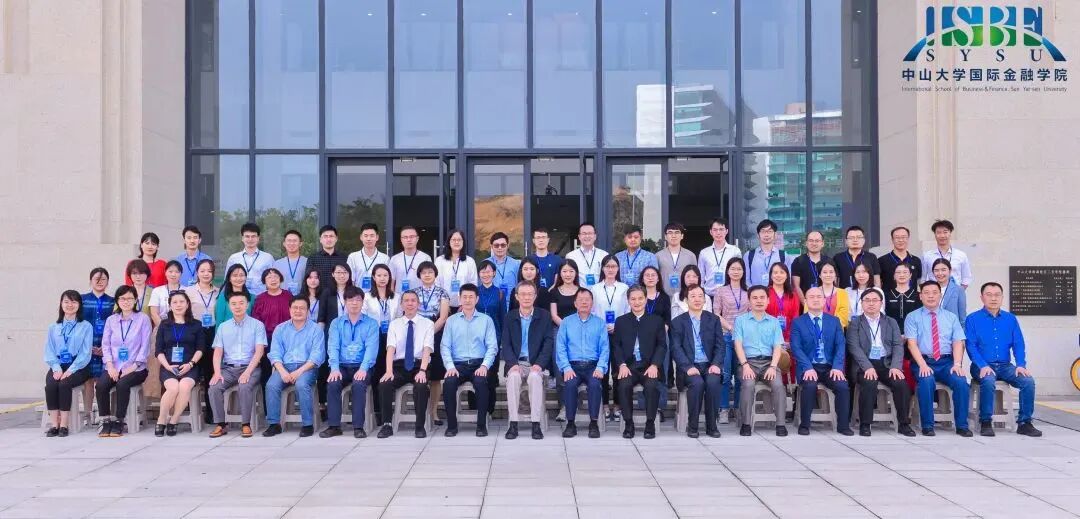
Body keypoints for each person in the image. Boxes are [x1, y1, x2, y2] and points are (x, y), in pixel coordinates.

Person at [965, 282, 1042, 437]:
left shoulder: (1010, 319)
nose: (993, 298)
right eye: (989, 295)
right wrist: (982, 365)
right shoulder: (972, 319)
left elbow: (1018, 343)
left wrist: (1020, 364)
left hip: (1005, 366)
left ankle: (1025, 423)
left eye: (997, 295)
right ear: (982, 297)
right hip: (981, 365)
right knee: (988, 380)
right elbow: (970, 346)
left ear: (1002, 297)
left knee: (1028, 382)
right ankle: (985, 421)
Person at [905, 281, 972, 437]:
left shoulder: (951, 317)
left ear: (940, 295)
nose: (931, 296)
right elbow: (911, 344)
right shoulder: (912, 317)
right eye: (926, 293)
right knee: (926, 380)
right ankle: (928, 425)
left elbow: (958, 342)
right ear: (920, 296)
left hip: (946, 362)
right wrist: (922, 365)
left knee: (961, 382)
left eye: (934, 292)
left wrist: (957, 364)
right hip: (923, 361)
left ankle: (962, 425)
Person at [846, 288, 915, 437]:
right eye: (867, 300)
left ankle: (904, 424)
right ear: (861, 304)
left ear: (881, 303)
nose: (871, 304)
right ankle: (865, 424)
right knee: (869, 383)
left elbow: (898, 345)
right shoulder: (855, 323)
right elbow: (854, 347)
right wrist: (867, 367)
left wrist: (896, 366)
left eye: (874, 300)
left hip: (886, 364)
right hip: (864, 365)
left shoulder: (891, 322)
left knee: (901, 384)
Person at [790, 287, 853, 436]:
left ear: (824, 301)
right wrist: (807, 367)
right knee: (810, 385)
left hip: (829, 367)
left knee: (842, 386)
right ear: (805, 301)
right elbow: (796, 348)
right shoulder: (798, 322)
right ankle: (805, 424)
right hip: (808, 366)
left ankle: (843, 425)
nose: (816, 299)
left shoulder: (834, 321)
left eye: (819, 296)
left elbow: (840, 345)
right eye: (811, 297)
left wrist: (837, 367)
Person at [440, 283, 499, 437]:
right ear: (459, 299)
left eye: (471, 297)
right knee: (449, 383)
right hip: (458, 365)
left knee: (481, 382)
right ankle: (452, 425)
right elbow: (445, 346)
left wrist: (485, 366)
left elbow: (492, 347)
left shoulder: (486, 320)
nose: (467, 300)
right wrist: (450, 366)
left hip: (479, 363)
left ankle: (481, 425)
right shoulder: (451, 321)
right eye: (464, 297)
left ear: (477, 299)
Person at [264, 296, 325, 437]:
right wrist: (282, 371)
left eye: (302, 308)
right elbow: (275, 354)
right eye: (295, 308)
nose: (298, 311)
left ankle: (307, 424)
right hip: (284, 367)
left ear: (308, 311)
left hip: (307, 368)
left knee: (301, 384)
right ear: (289, 309)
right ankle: (274, 424)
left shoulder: (316, 329)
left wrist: (298, 372)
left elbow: (316, 356)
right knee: (271, 385)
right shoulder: (280, 329)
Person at [96, 285, 153, 438]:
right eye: (122, 298)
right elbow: (105, 345)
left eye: (129, 298)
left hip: (136, 368)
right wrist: (110, 366)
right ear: (117, 301)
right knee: (101, 385)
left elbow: (145, 345)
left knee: (122, 384)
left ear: (135, 300)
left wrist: (132, 367)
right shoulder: (111, 320)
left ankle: (119, 421)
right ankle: (105, 420)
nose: (126, 301)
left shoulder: (143, 319)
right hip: (113, 366)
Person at [376, 291, 434, 438]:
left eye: (413, 300)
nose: (410, 303)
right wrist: (388, 371)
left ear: (418, 304)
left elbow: (427, 349)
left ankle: (419, 426)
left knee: (421, 386)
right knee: (384, 384)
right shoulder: (394, 324)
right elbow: (390, 349)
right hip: (399, 366)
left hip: (419, 365)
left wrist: (422, 371)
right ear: (401, 304)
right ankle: (387, 425)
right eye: (406, 301)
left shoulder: (428, 324)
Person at [207, 292, 266, 438]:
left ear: (247, 305)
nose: (237, 306)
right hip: (228, 368)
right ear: (229, 306)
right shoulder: (223, 327)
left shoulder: (257, 325)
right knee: (214, 388)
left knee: (244, 386)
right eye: (233, 304)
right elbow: (218, 353)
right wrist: (217, 372)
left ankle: (245, 424)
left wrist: (247, 372)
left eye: (241, 303)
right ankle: (221, 424)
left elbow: (259, 352)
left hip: (250, 367)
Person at [501, 281, 554, 440]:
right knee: (513, 378)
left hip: (536, 363)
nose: (526, 297)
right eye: (523, 294)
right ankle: (513, 423)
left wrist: (539, 364)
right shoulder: (510, 316)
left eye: (530, 294)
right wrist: (512, 364)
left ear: (535, 296)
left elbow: (548, 343)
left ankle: (535, 424)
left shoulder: (544, 315)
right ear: (517, 297)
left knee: (535, 378)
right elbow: (506, 343)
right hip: (517, 363)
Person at [670, 284, 726, 438]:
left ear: (705, 300)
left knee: (713, 383)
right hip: (689, 367)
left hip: (709, 365)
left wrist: (716, 364)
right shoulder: (678, 322)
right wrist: (687, 366)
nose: (697, 299)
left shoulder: (713, 320)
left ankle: (712, 426)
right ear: (686, 300)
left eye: (700, 296)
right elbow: (676, 348)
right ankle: (693, 425)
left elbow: (720, 346)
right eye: (693, 296)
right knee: (697, 383)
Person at [612, 286, 667, 439]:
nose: (637, 302)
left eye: (640, 298)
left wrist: (655, 365)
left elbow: (662, 345)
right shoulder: (621, 321)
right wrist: (621, 364)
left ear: (646, 299)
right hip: (628, 366)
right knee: (624, 385)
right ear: (628, 301)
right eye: (633, 299)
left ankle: (650, 423)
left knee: (651, 385)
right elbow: (616, 346)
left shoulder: (656, 321)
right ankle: (629, 423)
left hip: (649, 366)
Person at [733, 285, 788, 437]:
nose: (759, 301)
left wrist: (773, 366)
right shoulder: (740, 321)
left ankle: (781, 424)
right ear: (749, 301)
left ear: (768, 300)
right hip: (748, 363)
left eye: (762, 297)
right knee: (748, 385)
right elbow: (737, 345)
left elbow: (777, 347)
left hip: (769, 363)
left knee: (778, 385)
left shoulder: (774, 322)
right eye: (755, 298)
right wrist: (745, 365)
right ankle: (746, 423)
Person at [556, 288, 609, 438]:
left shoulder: (600, 323)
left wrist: (600, 367)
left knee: (595, 385)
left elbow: (605, 348)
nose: (584, 302)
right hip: (572, 366)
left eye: (587, 300)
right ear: (575, 303)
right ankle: (570, 423)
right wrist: (566, 367)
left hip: (593, 366)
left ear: (592, 303)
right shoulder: (566, 322)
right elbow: (560, 347)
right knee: (570, 385)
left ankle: (593, 423)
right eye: (581, 300)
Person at [154, 291, 206, 436]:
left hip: (190, 366)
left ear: (187, 304)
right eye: (175, 302)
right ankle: (161, 419)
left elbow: (200, 349)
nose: (178, 305)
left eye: (182, 302)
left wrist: (191, 364)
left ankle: (174, 420)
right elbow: (158, 351)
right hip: (168, 366)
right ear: (170, 306)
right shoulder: (164, 325)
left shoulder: (196, 324)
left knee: (184, 386)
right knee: (173, 388)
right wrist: (167, 366)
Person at [42, 290, 94, 437]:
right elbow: (49, 350)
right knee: (51, 385)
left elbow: (85, 353)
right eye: (66, 302)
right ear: (61, 304)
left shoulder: (86, 326)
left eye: (74, 302)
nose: (70, 305)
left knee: (64, 384)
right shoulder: (53, 327)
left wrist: (71, 369)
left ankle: (64, 424)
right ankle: (54, 424)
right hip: (58, 364)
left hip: (79, 366)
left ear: (79, 305)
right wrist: (56, 367)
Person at [590, 254, 628, 422]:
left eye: (613, 266)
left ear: (618, 269)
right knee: (603, 371)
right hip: (600, 333)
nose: (611, 269)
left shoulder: (624, 288)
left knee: (619, 370)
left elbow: (628, 311)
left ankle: (618, 405)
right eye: (607, 266)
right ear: (603, 269)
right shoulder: (595, 288)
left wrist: (618, 326)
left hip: (620, 334)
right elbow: (592, 311)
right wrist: (601, 326)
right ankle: (605, 405)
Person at [414, 261, 451, 424]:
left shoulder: (443, 293)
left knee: (436, 376)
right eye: (424, 272)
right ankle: (420, 412)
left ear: (435, 274)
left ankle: (434, 412)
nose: (427, 275)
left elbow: (443, 317)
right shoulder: (414, 293)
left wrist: (429, 333)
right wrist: (421, 334)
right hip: (416, 334)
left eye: (430, 272)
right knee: (419, 372)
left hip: (436, 332)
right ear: (419, 275)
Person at [362, 263, 399, 423]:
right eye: (379, 275)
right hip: (374, 339)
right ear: (373, 277)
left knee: (390, 373)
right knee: (377, 375)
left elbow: (399, 318)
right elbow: (363, 318)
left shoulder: (396, 297)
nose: (382, 278)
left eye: (385, 275)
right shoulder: (366, 297)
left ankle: (390, 410)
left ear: (389, 277)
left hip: (392, 339)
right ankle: (378, 411)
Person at [714, 258, 749, 422]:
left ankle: (738, 408)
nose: (736, 272)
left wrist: (741, 331)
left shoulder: (748, 291)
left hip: (744, 338)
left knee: (741, 374)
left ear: (743, 271)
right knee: (726, 374)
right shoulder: (720, 291)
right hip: (726, 336)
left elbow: (751, 314)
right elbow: (716, 313)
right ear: (727, 271)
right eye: (733, 269)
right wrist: (730, 327)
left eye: (739, 269)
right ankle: (723, 409)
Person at [185, 258, 218, 423]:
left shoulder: (219, 292)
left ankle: (211, 413)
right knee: (195, 372)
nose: (206, 274)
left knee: (211, 373)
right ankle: (191, 411)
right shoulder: (188, 291)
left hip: (213, 333)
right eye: (202, 271)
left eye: (209, 271)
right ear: (197, 273)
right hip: (195, 334)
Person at [82, 267, 115, 424]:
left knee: (103, 381)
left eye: (103, 279)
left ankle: (105, 415)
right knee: (88, 381)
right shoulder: (82, 300)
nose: (100, 282)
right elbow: (78, 324)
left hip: (105, 347)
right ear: (90, 281)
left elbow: (117, 327)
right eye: (97, 279)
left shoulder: (113, 302)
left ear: (107, 282)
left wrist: (106, 348)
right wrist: (86, 347)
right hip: (87, 348)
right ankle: (87, 414)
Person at [252, 268, 293, 389]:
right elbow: (256, 323)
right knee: (266, 371)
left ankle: (287, 397)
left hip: (287, 339)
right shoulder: (260, 299)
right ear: (264, 281)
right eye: (269, 277)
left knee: (287, 368)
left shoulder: (289, 296)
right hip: (267, 339)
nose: (273, 279)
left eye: (275, 276)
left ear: (281, 279)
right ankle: (267, 400)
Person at [765, 263, 800, 383]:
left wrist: (788, 339)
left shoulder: (793, 295)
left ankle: (790, 390)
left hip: (788, 337)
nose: (778, 275)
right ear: (771, 275)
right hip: (768, 337)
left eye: (782, 272)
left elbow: (795, 318)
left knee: (790, 362)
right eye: (775, 272)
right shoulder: (765, 293)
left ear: (787, 275)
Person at [226, 222, 275, 296]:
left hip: (261, 298)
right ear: (242, 238)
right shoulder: (233, 258)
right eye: (247, 236)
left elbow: (273, 280)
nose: (250, 239)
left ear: (258, 238)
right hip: (239, 299)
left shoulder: (268, 258)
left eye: (253, 236)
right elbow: (227, 281)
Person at [921, 219, 972, 288]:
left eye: (945, 232)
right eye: (938, 232)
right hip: (934, 293)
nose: (942, 236)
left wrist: (958, 292)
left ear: (950, 233)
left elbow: (966, 278)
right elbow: (922, 278)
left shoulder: (961, 255)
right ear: (935, 235)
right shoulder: (927, 256)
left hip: (955, 292)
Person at [435, 229, 478, 310]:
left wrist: (464, 304)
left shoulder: (469, 261)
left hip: (464, 306)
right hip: (444, 305)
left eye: (459, 240)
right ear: (449, 242)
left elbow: (473, 284)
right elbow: (436, 283)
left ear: (463, 242)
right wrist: (442, 304)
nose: (456, 242)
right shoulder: (440, 260)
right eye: (454, 240)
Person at [698, 218, 742, 298]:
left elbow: (739, 273)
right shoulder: (704, 253)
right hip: (709, 295)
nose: (718, 232)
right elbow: (701, 275)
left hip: (730, 295)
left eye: (721, 229)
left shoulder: (735, 251)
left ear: (726, 231)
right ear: (711, 232)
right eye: (715, 230)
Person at [742, 220, 791, 287]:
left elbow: (788, 279)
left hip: (776, 293)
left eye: (769, 231)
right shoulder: (748, 255)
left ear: (775, 235)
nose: (766, 235)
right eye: (763, 231)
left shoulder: (783, 256)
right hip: (755, 293)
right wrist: (754, 291)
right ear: (758, 235)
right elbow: (746, 279)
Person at [657, 222, 698, 299]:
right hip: (664, 297)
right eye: (670, 233)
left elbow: (695, 277)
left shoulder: (690, 255)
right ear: (665, 236)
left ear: (682, 236)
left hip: (685, 297)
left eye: (677, 232)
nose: (673, 236)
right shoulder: (658, 256)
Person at [833, 225, 881, 289]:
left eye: (859, 237)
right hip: (844, 294)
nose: (855, 240)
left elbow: (876, 280)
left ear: (864, 240)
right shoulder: (838, 258)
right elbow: (835, 281)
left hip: (867, 294)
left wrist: (876, 292)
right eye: (851, 237)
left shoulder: (871, 257)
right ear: (846, 241)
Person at [878, 226, 923, 293]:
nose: (900, 240)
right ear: (892, 240)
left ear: (908, 239)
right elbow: (878, 282)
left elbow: (919, 281)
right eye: (897, 237)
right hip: (889, 298)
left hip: (912, 298)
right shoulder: (882, 261)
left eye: (903, 237)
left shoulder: (916, 260)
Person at [346, 223, 389, 291]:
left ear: (377, 237)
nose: (369, 239)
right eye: (365, 236)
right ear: (361, 237)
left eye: (372, 236)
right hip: (358, 295)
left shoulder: (385, 258)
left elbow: (387, 281)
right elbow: (350, 280)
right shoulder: (353, 257)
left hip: (377, 296)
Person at [390, 225, 432, 293]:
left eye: (411, 237)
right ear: (401, 240)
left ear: (417, 238)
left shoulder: (425, 258)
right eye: (405, 237)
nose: (408, 240)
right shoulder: (394, 259)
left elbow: (429, 281)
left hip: (419, 297)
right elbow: (391, 282)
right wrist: (392, 298)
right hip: (400, 297)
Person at [564, 222, 607, 288]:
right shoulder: (570, 256)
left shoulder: (604, 255)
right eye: (584, 233)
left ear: (595, 236)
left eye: (590, 233)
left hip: (600, 292)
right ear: (579, 236)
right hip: (579, 292)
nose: (587, 236)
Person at [486, 232, 521, 310]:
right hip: (491, 304)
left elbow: (519, 284)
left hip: (511, 305)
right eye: (496, 245)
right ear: (491, 246)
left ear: (507, 246)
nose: (500, 248)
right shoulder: (485, 264)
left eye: (503, 245)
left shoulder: (516, 264)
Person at [791, 231, 830, 299]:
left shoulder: (829, 261)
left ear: (822, 243)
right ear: (806, 243)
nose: (814, 243)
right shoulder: (798, 261)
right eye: (811, 241)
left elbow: (834, 284)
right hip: (804, 303)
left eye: (817, 241)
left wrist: (827, 302)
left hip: (826, 303)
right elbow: (796, 286)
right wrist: (805, 303)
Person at [214, 264, 254, 330]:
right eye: (235, 275)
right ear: (229, 278)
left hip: (247, 334)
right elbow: (219, 322)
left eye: (241, 275)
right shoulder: (223, 298)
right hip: (228, 333)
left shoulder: (252, 298)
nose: (238, 278)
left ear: (245, 277)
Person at [885, 263, 921, 333]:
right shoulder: (886, 295)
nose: (901, 275)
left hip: (914, 333)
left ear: (910, 275)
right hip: (891, 333)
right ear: (894, 276)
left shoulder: (918, 296)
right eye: (898, 272)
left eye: (905, 272)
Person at [931, 259, 967, 326]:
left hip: (952, 329)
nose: (940, 273)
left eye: (943, 270)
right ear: (933, 272)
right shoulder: (929, 289)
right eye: (936, 270)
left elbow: (962, 318)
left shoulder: (959, 290)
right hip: (931, 328)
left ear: (950, 271)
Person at [814, 262, 850, 328]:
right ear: (820, 275)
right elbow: (808, 314)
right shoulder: (813, 293)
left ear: (835, 274)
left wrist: (830, 328)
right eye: (825, 272)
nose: (828, 275)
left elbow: (844, 317)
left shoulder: (843, 293)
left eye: (831, 272)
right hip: (816, 331)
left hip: (836, 330)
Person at [272, 230, 308, 296]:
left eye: (294, 241)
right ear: (284, 244)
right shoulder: (277, 264)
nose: (291, 243)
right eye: (289, 241)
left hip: (303, 299)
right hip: (282, 299)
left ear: (300, 244)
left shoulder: (307, 262)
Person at [149, 261, 184, 327]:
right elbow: (154, 314)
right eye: (170, 271)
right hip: (161, 327)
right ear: (165, 273)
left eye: (177, 272)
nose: (173, 274)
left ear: (181, 274)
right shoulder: (157, 291)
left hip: (182, 327)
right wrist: (164, 329)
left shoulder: (187, 290)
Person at [549, 260, 581, 328]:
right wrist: (566, 327)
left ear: (576, 273)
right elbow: (554, 315)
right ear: (560, 273)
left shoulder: (582, 292)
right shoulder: (554, 292)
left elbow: (585, 313)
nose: (568, 274)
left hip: (580, 327)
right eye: (564, 271)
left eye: (571, 271)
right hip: (559, 328)